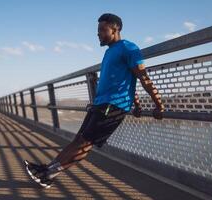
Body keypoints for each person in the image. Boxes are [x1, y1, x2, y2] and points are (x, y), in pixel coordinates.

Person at [24, 13, 165, 188]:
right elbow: (125, 80)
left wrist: (159, 105)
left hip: (113, 107)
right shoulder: (109, 52)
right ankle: (48, 169)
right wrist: (137, 104)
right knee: (78, 140)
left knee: (85, 144)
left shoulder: (129, 48)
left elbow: (143, 78)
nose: (98, 33)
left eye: (101, 30)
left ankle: (49, 174)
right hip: (100, 104)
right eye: (97, 30)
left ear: (115, 29)